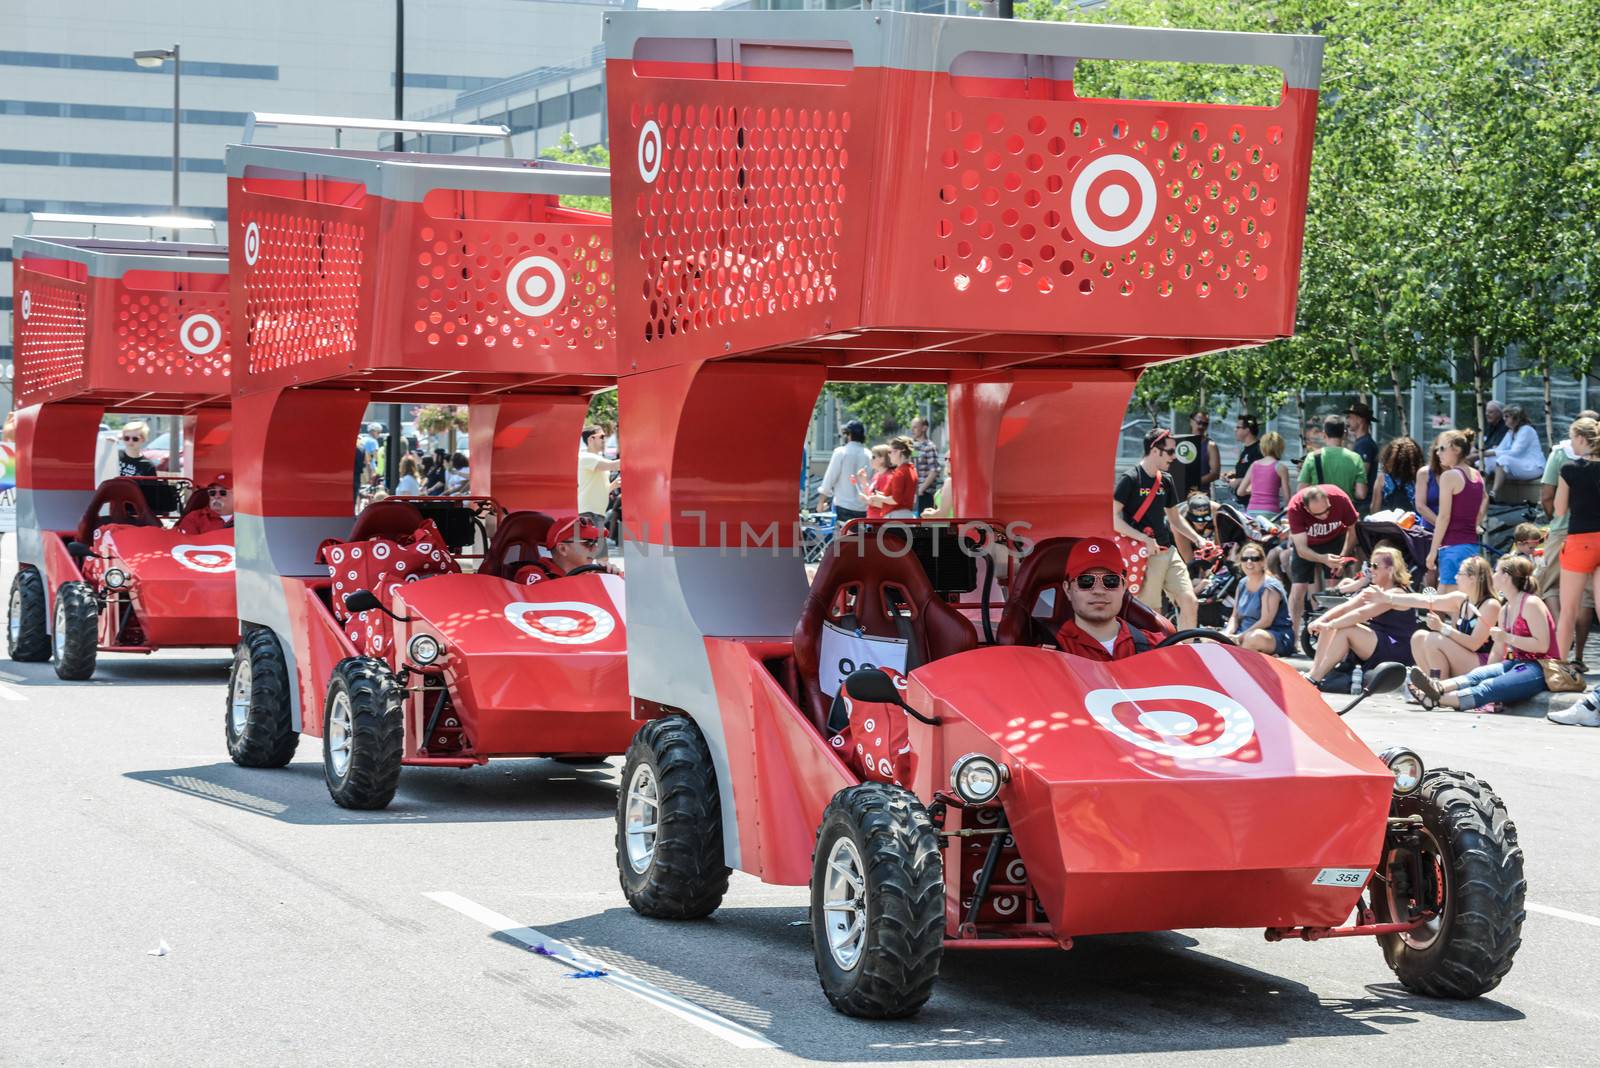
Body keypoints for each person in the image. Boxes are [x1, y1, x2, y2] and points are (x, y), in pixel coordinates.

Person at [1408, 555, 1555, 713]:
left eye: (1496, 571)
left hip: (1539, 667)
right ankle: (1437, 687)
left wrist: (1506, 637)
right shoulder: (1506, 609)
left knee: (1489, 686)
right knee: (1478, 675)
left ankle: (1438, 699)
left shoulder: (1531, 603)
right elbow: (1498, 651)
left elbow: (1542, 645)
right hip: (1515, 663)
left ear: (1506, 577)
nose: (1492, 576)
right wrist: (1488, 671)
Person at [1112, 428, 1215, 630]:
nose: (1174, 457)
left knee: (1189, 601)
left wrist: (1198, 539)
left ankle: (1186, 651)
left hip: (1168, 551)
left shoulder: (1166, 480)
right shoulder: (1130, 478)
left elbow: (1175, 519)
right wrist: (1143, 538)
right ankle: (1151, 655)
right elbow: (1113, 520)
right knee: (1151, 612)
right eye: (1170, 452)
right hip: (1144, 554)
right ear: (1155, 450)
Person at [1304, 546, 1418, 689]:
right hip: (1378, 641)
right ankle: (1314, 672)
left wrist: (1331, 624)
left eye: (1375, 566)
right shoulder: (1372, 590)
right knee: (1333, 625)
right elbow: (1345, 607)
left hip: (1396, 647)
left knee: (1345, 629)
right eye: (1369, 565)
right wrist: (1321, 621)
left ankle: (1315, 678)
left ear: (1391, 569)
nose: (1370, 569)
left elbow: (1361, 614)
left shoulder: (1397, 593)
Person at [1388, 555, 1501, 693]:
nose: (1456, 578)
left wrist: (1442, 627)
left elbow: (1474, 644)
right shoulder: (1461, 599)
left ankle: (1440, 690)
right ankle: (1431, 685)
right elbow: (1423, 600)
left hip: (1483, 664)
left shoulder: (1490, 605)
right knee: (1419, 637)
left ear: (1473, 578)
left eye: (1460, 573)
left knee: (1434, 639)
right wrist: (1388, 598)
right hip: (1466, 659)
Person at [1539, 412, 1600, 664]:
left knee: (1568, 610)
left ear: (1582, 439)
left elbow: (1560, 510)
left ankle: (1561, 667)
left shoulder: (1570, 469)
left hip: (1580, 541)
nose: (1571, 443)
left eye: (1573, 438)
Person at [1052, 537, 1165, 661]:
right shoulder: (1047, 656)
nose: (1099, 591)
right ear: (1067, 589)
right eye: (1086, 581)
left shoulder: (1159, 646)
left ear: (1123, 587)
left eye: (1111, 581)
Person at [1284, 484, 1359, 642]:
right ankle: (1292, 635)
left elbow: (1354, 528)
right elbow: (1302, 549)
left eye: (1327, 510)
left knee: (1334, 587)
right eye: (1319, 514)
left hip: (1335, 538)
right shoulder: (1295, 507)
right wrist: (1323, 558)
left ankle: (1332, 635)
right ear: (1307, 509)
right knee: (1298, 588)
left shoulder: (1340, 498)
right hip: (1307, 544)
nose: (1325, 516)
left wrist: (1342, 557)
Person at [1424, 428, 1487, 592]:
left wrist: (1432, 551)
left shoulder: (1449, 476)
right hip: (1471, 546)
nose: (1438, 453)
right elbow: (1485, 500)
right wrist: (1475, 524)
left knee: (1451, 606)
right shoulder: (1477, 475)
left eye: (1442, 448)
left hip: (1452, 548)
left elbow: (1443, 517)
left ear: (1457, 449)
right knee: (1449, 604)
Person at [1222, 545, 1294, 655]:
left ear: (1262, 562)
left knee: (1252, 638)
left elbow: (1266, 621)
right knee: (1210, 639)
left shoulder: (1270, 586)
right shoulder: (1242, 583)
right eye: (1245, 559)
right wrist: (1227, 634)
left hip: (1273, 635)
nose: (1249, 562)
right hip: (1243, 633)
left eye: (1255, 559)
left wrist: (1240, 636)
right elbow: (1235, 616)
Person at [514, 516, 614, 585]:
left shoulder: (595, 574)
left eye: (596, 542)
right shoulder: (531, 572)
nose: (596, 548)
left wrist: (613, 578)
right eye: (588, 542)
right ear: (562, 549)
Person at [1298, 415, 1367, 503]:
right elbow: (1361, 494)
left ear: (1324, 434)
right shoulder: (1355, 458)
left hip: (1320, 512)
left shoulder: (1312, 457)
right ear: (1344, 434)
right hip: (1345, 511)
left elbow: (1301, 491)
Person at [1483, 404, 1545, 500]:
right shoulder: (1511, 432)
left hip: (1533, 467)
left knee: (1503, 459)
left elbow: (1515, 452)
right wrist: (1483, 453)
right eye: (1504, 416)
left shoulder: (1527, 430)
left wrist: (1490, 453)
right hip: (1519, 465)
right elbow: (1500, 449)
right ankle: (1481, 492)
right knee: (1487, 460)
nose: (1504, 419)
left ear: (1516, 418)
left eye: (1507, 416)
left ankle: (1493, 494)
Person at [817, 419, 871, 524]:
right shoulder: (869, 454)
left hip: (843, 505)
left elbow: (830, 478)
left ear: (849, 434)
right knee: (860, 539)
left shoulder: (840, 452)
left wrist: (821, 502)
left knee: (844, 538)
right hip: (863, 507)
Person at [863, 439, 917, 520]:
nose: (889, 455)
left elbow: (895, 499)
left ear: (898, 452)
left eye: (890, 452)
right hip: (904, 515)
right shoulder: (911, 469)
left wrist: (878, 497)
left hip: (896, 517)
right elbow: (903, 497)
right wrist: (880, 495)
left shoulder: (900, 472)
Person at [1372, 436, 1424, 514]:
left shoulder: (1383, 478)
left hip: (1388, 523)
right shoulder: (1419, 478)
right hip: (1413, 523)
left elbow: (1374, 508)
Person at [1243, 430, 1290, 517]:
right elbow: (1287, 497)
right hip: (1271, 512)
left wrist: (1255, 491)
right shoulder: (1281, 468)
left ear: (1262, 447)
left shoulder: (1254, 465)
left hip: (1252, 511)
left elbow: (1240, 491)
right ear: (1280, 448)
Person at [578, 425, 621, 518]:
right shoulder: (586, 457)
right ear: (591, 439)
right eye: (601, 436)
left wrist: (612, 486)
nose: (604, 439)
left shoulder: (596, 459)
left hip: (596, 513)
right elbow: (614, 465)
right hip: (588, 514)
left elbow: (599, 491)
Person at [1225, 415, 1264, 505]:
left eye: (1238, 427)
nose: (1235, 430)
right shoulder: (1246, 449)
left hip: (1253, 503)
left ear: (1247, 430)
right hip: (1242, 502)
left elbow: (1262, 476)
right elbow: (1247, 469)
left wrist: (1238, 481)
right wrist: (1234, 474)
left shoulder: (1259, 449)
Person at [909, 416, 943, 516]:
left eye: (915, 427)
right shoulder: (912, 446)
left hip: (924, 494)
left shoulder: (929, 446)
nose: (912, 430)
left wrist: (921, 489)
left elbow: (934, 471)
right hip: (914, 493)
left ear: (924, 428)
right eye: (912, 427)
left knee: (923, 524)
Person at [1346, 401, 1380, 500]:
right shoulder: (1361, 443)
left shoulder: (1365, 444)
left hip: (1363, 503)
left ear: (1360, 420)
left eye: (1350, 416)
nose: (1348, 420)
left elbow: (1362, 474)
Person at [1189, 411, 1222, 495]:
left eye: (1205, 424)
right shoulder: (1182, 443)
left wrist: (1193, 483)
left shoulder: (1211, 445)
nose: (1201, 426)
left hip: (1201, 496)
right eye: (1199, 422)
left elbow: (1215, 474)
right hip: (1180, 493)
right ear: (1191, 421)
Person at [1473, 400, 1508, 469]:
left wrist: (1477, 451)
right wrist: (1474, 448)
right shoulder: (1489, 426)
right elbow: (1478, 442)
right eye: (1486, 411)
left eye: (1490, 412)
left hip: (1495, 458)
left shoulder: (1504, 428)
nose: (1487, 414)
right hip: (1483, 455)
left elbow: (1494, 447)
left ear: (1499, 414)